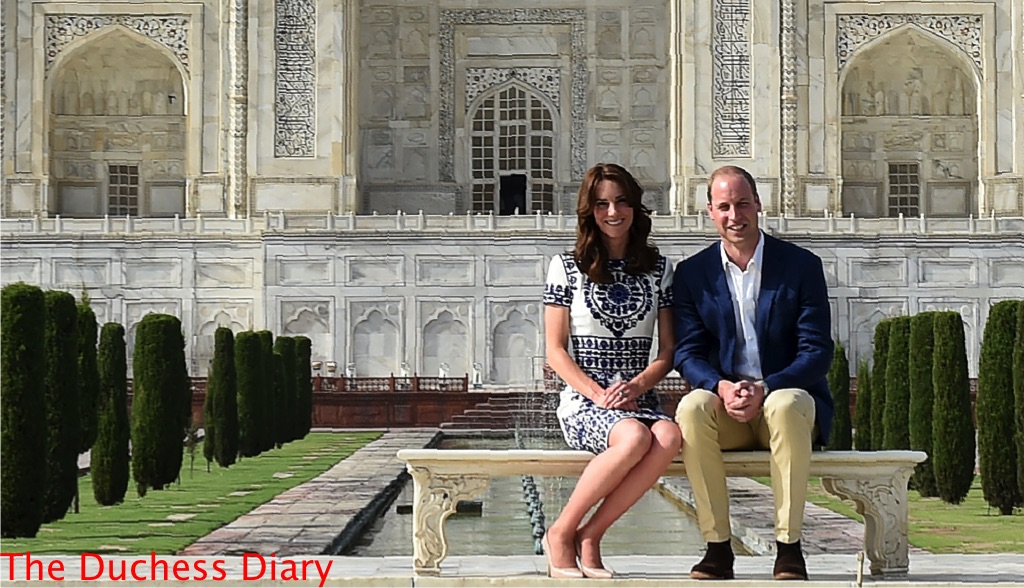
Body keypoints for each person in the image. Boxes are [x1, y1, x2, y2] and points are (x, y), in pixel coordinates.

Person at [673, 165, 833, 581]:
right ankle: (717, 547)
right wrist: (721, 387)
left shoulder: (799, 266)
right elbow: (687, 353)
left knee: (786, 403)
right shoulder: (693, 274)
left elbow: (817, 352)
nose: (735, 215)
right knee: (691, 408)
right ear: (710, 211)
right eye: (724, 206)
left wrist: (766, 387)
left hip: (784, 407)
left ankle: (789, 547)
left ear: (758, 204)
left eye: (742, 204)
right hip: (729, 410)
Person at [542, 163, 681, 579]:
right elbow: (555, 351)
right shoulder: (567, 267)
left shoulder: (659, 270)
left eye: (621, 202)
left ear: (635, 207)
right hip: (585, 401)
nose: (613, 212)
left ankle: (592, 534)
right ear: (590, 211)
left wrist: (636, 387)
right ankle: (561, 533)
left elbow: (668, 352)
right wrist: (598, 394)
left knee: (670, 436)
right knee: (634, 436)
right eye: (602, 204)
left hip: (638, 398)